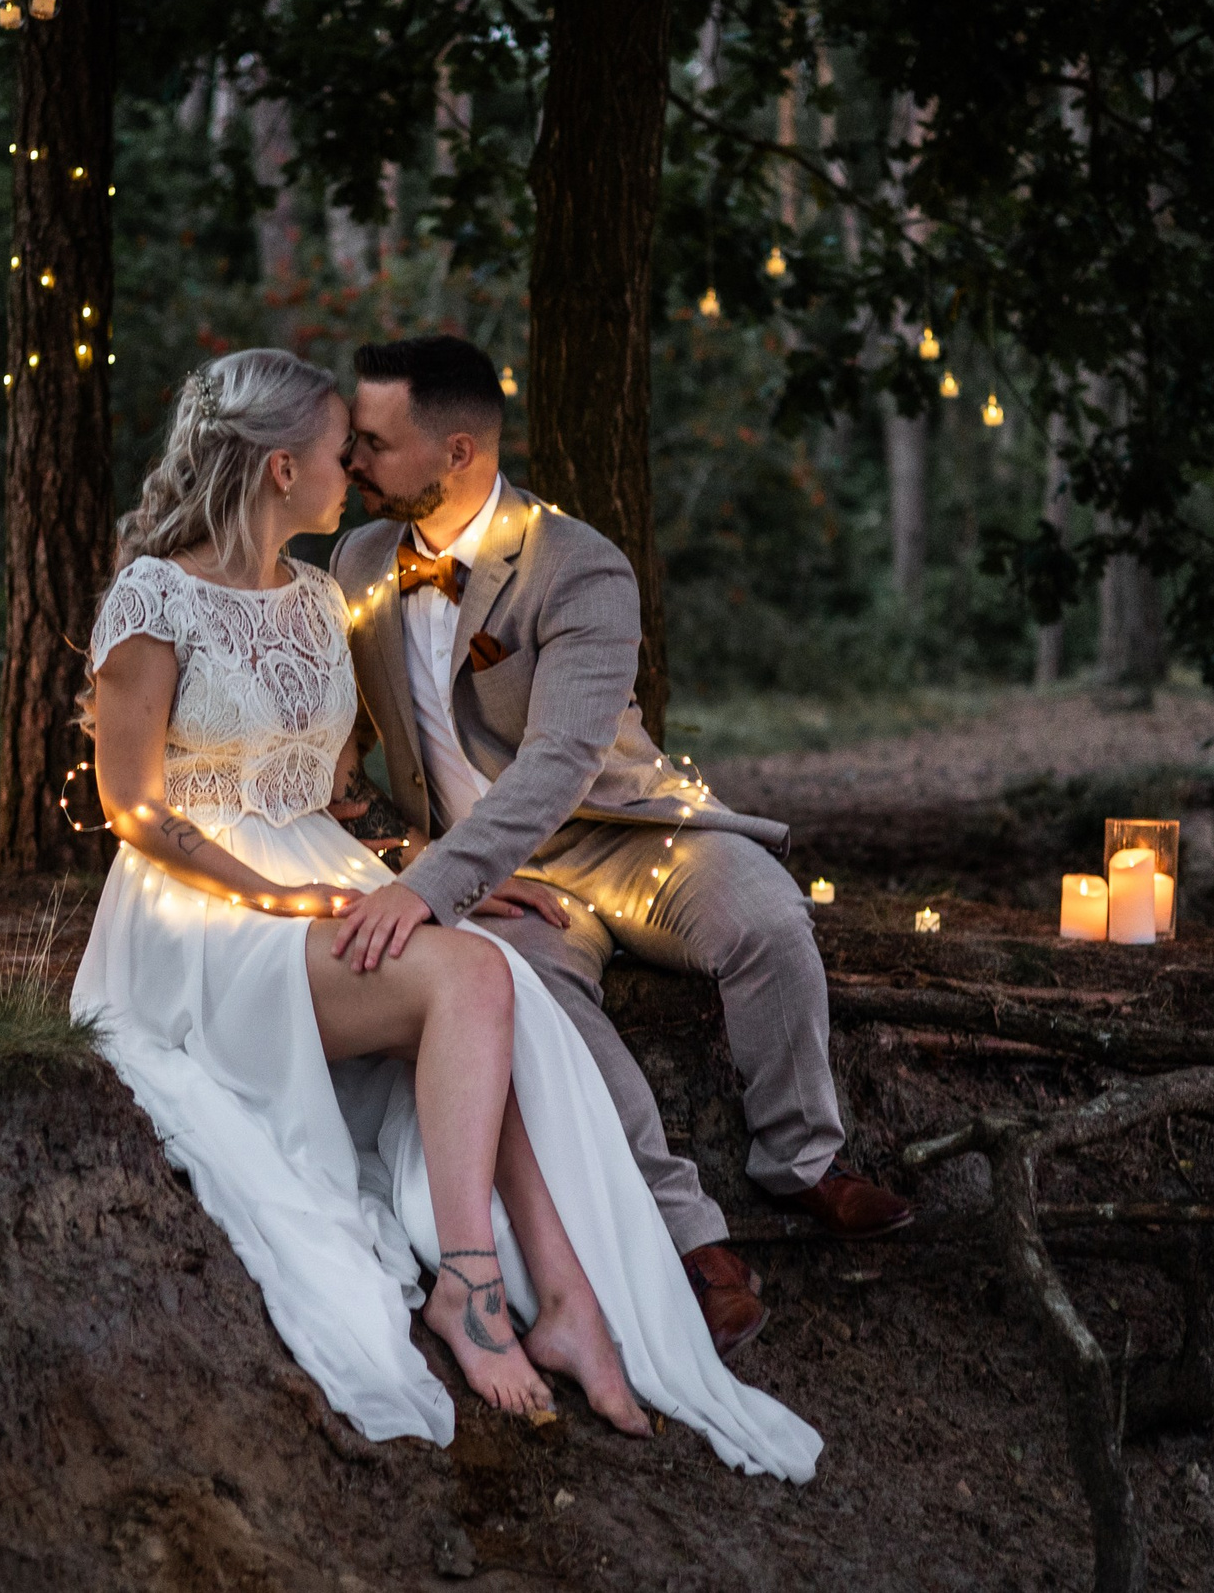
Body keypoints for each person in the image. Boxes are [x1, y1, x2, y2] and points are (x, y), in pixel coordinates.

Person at [70, 346, 819, 1479]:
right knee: (472, 974)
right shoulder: (154, 595)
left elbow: (326, 792)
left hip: (324, 873)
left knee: (496, 979)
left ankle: (568, 1297)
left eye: (365, 448)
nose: (357, 472)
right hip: (197, 914)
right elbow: (130, 807)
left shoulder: (321, 594)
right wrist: (281, 896)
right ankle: (471, 1286)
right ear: (281, 470)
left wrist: (424, 866)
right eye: (343, 453)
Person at [329, 334, 915, 1360]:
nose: (351, 460)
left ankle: (804, 1160)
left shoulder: (578, 564)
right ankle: (692, 1241)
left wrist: (429, 888)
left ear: (456, 451)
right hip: (491, 873)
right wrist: (410, 857)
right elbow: (340, 749)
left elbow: (560, 761)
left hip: (628, 834)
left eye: (374, 442)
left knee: (769, 917)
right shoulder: (358, 563)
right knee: (539, 1003)